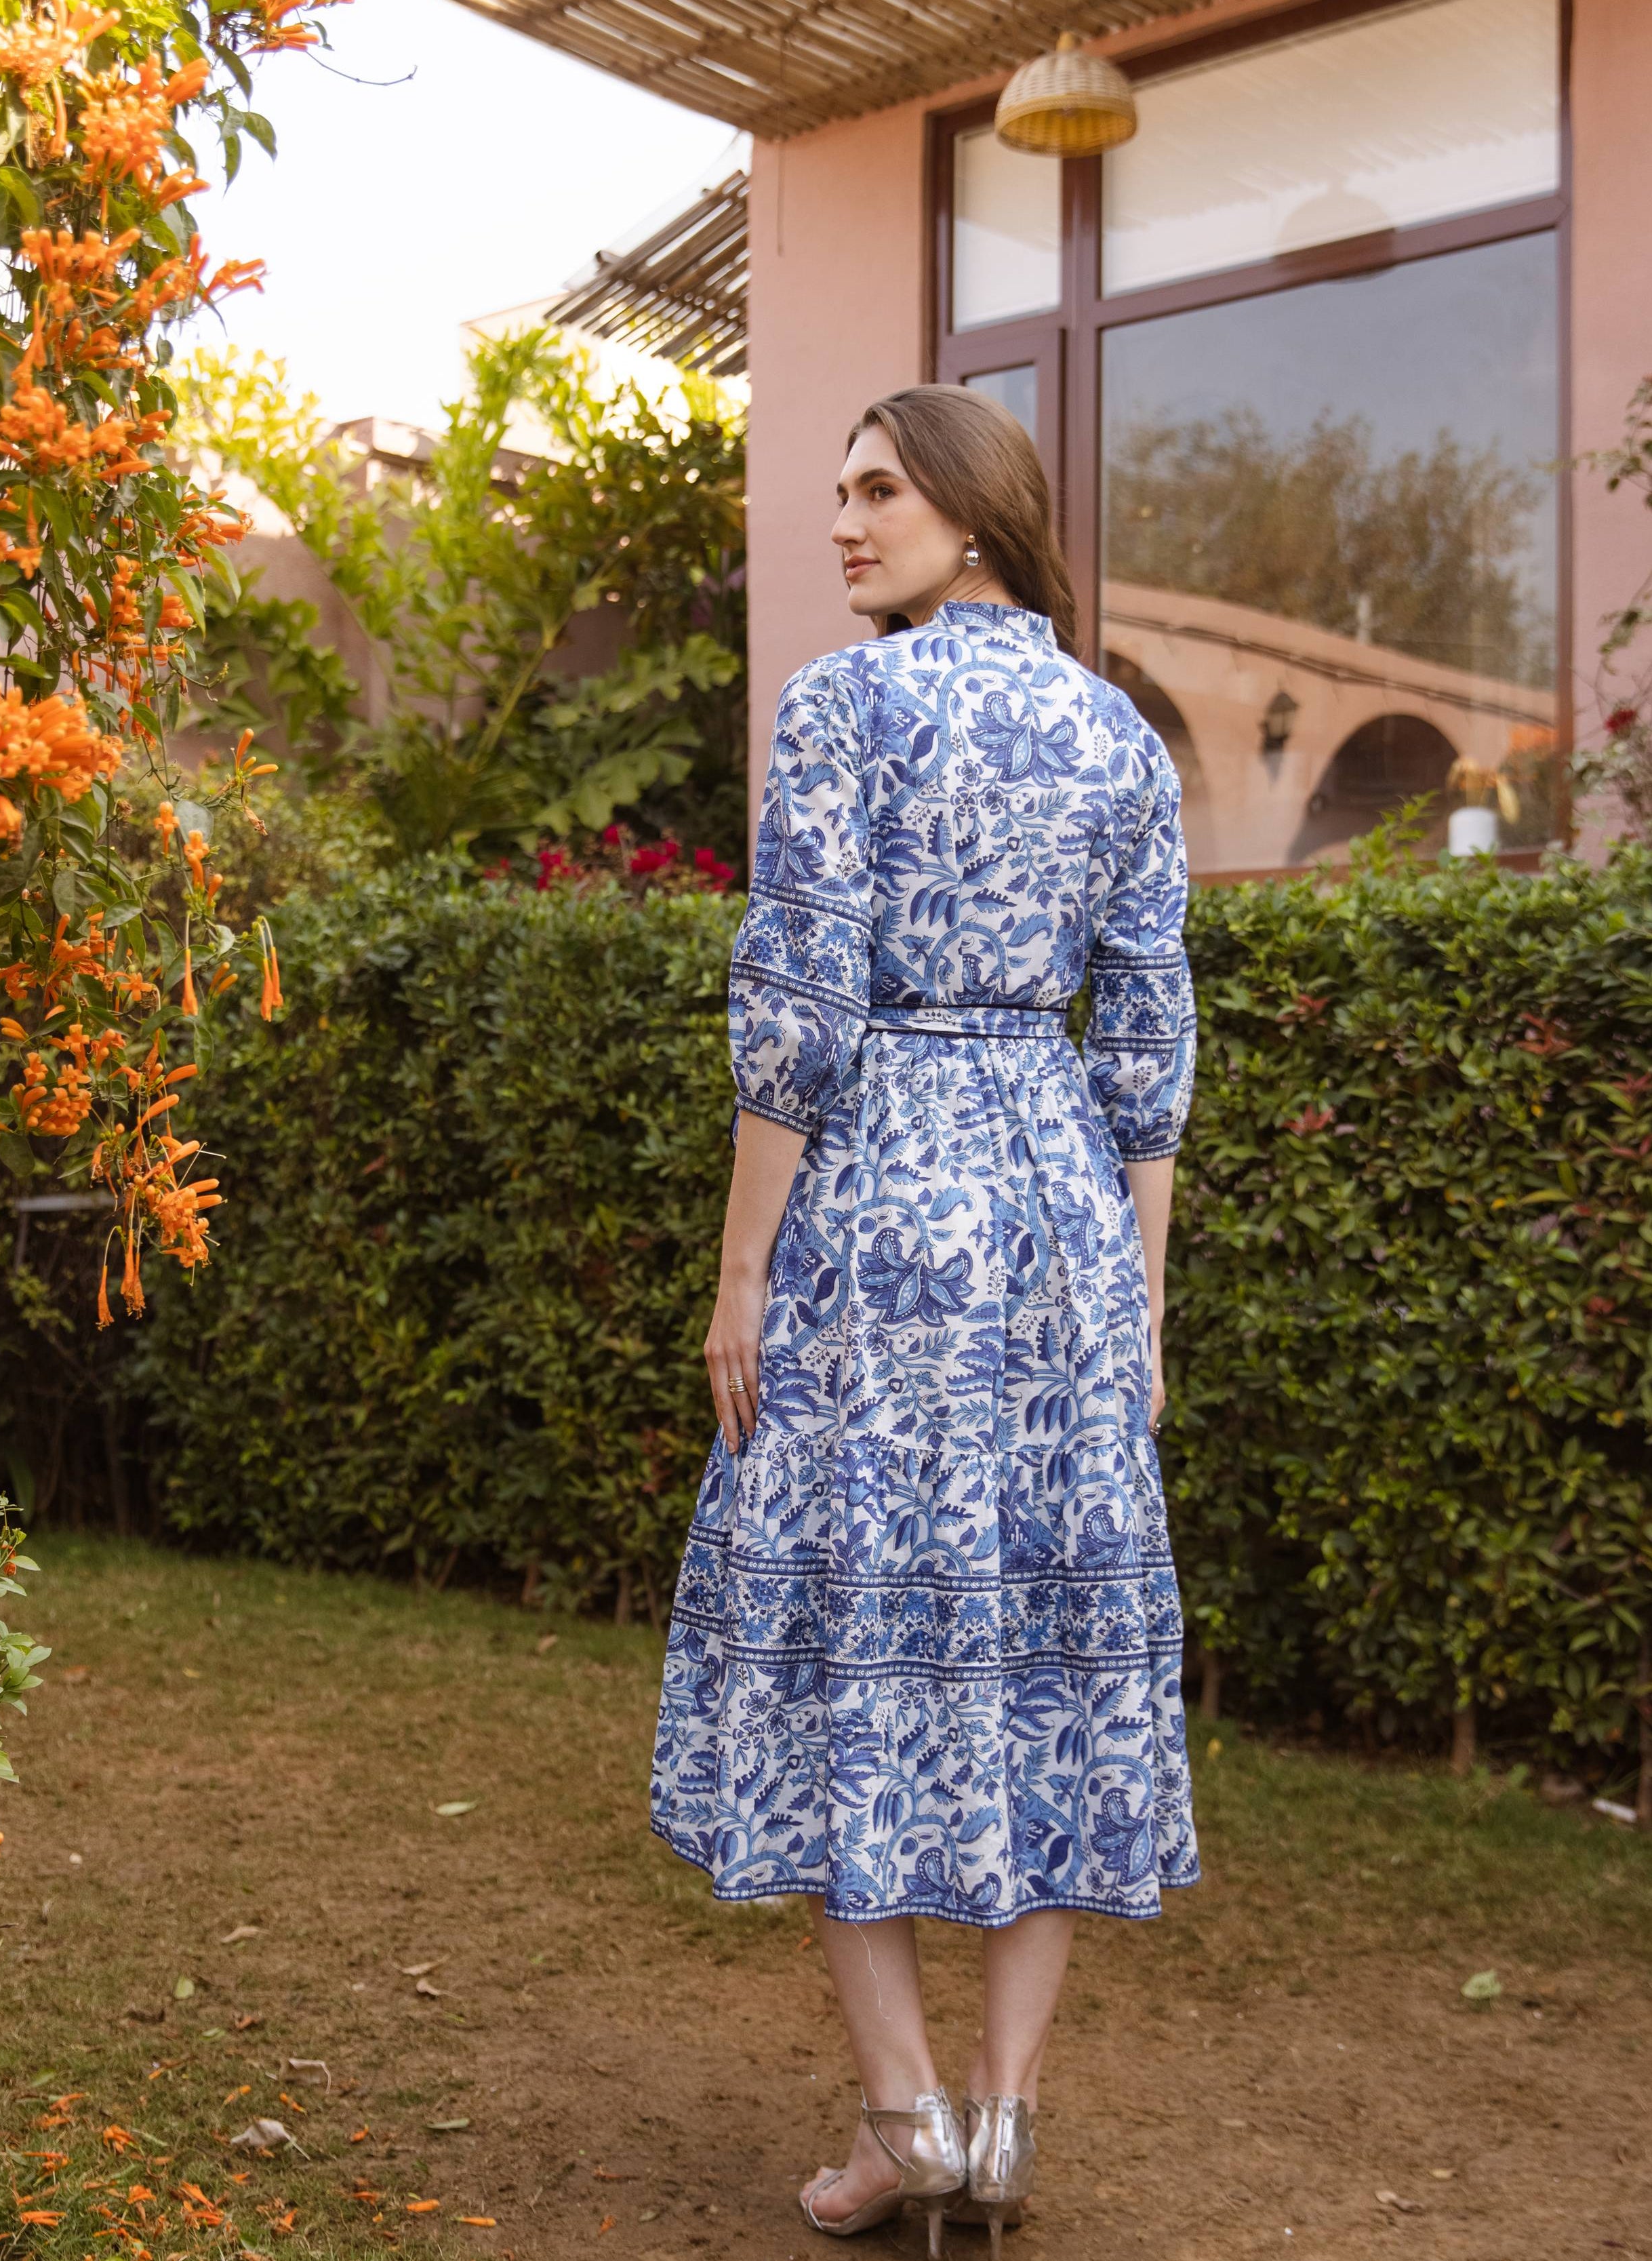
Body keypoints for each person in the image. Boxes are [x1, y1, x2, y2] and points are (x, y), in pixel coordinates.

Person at [649, 383, 1198, 2256]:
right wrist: (1140, 1307)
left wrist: (741, 1266)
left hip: (880, 1208)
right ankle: (1008, 2119)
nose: (843, 522)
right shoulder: (1121, 736)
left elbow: (797, 1008)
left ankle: (908, 2121)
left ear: (974, 515)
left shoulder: (845, 706)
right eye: (839, 491)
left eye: (878, 490)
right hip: (1058, 1215)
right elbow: (1147, 1044)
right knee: (1048, 1640)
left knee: (845, 1637)